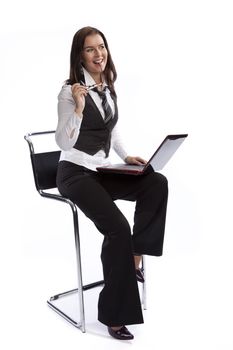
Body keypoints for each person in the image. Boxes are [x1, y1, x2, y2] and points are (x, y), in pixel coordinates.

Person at [55, 26, 168, 340]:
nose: (98, 54)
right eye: (90, 49)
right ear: (80, 55)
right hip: (75, 174)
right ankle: (113, 315)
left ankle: (133, 260)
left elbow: (112, 129)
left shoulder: (107, 86)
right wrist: (77, 109)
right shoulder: (69, 91)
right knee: (117, 228)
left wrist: (126, 155)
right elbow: (63, 143)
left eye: (101, 47)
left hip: (101, 172)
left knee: (155, 182)